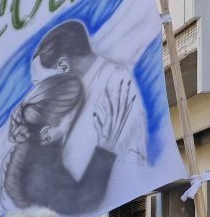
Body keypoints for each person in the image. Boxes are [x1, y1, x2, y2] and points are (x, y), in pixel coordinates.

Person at [29, 20, 147, 182]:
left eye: (40, 85)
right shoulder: (81, 91)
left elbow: (129, 165)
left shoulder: (115, 84)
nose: (39, 95)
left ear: (63, 67)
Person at [3, 74, 132, 215]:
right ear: (46, 133)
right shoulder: (42, 171)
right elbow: (81, 200)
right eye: (73, 120)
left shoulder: (32, 149)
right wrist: (106, 147)